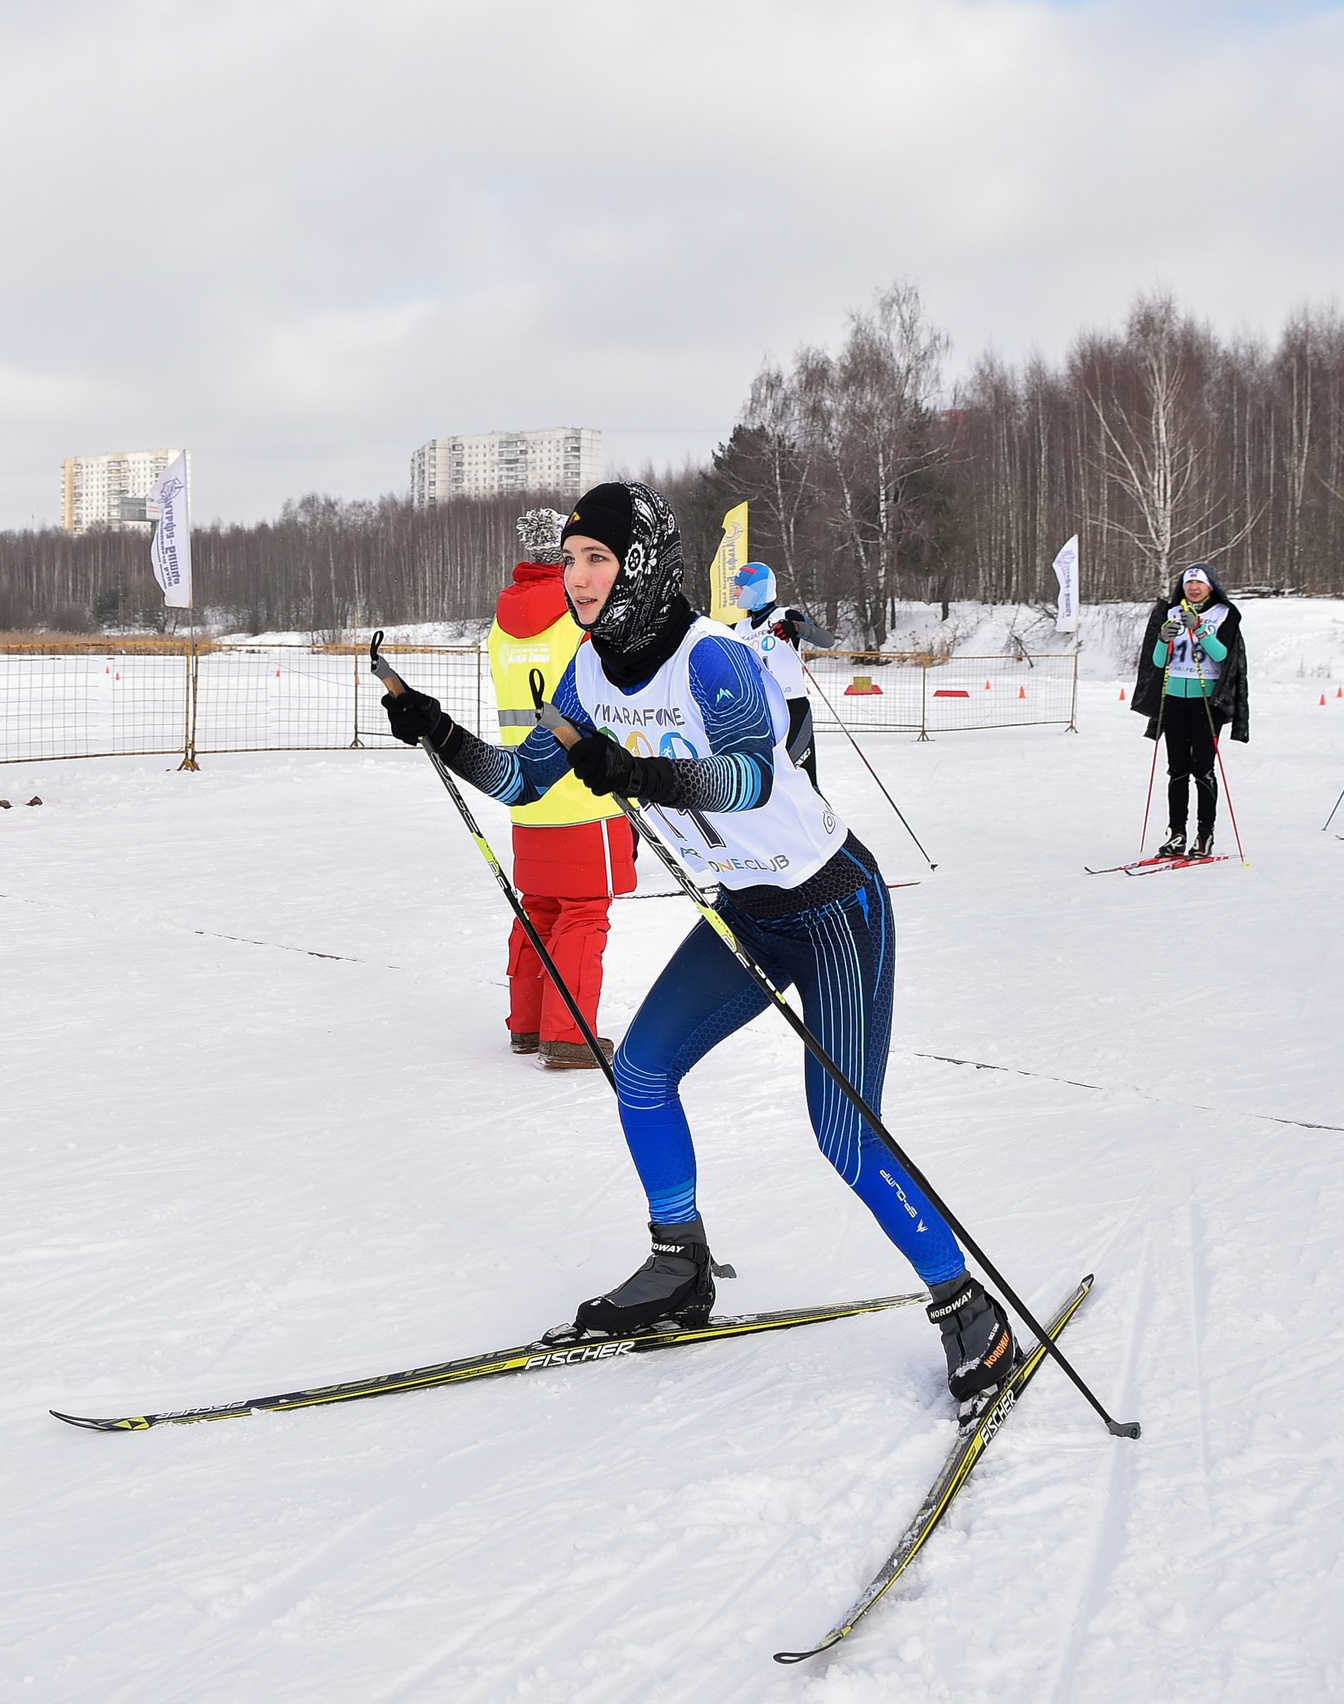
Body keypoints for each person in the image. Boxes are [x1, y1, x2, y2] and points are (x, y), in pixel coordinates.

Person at [380, 481, 1019, 1419]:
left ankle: (968, 1309)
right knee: (640, 1068)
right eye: (570, 560)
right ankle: (679, 1266)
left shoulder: (709, 657)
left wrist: (641, 774)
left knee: (843, 1132)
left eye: (598, 558)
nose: (580, 577)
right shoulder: (586, 674)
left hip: (834, 905)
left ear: (640, 561)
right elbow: (525, 780)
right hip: (747, 914)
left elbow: (753, 774)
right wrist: (437, 731)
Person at [485, 507, 637, 1068]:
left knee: (540, 908)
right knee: (583, 912)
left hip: (528, 794)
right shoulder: (581, 616)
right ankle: (569, 1033)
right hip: (586, 792)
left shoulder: (501, 620)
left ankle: (527, 1022)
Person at [1128, 563, 1249, 859]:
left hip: (1207, 702)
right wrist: (1163, 639)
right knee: (1177, 770)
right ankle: (1177, 834)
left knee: (1203, 770)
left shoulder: (1225, 614)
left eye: (1199, 584)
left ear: (1211, 586)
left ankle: (1205, 835)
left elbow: (1223, 656)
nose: (1193, 589)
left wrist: (1201, 631)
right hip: (1174, 700)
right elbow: (1158, 662)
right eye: (1188, 584)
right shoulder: (1170, 612)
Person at [727, 561, 837, 788]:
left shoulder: (785, 615)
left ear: (754, 590)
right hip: (758, 714)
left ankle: (818, 821)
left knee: (802, 782)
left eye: (739, 587)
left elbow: (826, 640)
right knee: (768, 785)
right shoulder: (739, 629)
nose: (735, 592)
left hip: (791, 710)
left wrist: (796, 629)